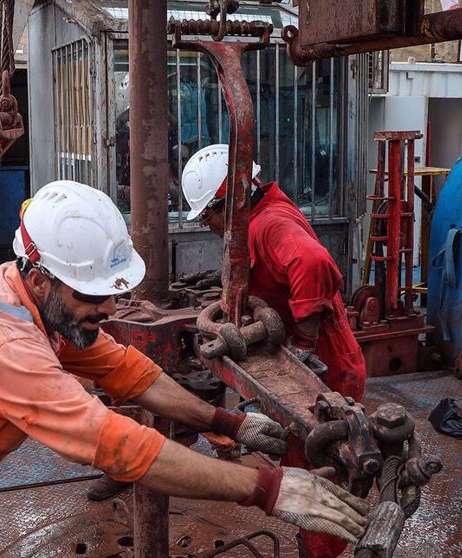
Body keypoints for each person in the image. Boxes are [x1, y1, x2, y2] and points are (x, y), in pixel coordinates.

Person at [0, 180, 369, 557]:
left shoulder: (34, 302)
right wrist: (268, 488)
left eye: (111, 295)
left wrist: (228, 421)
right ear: (40, 276)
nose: (108, 310)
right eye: (93, 296)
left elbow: (128, 371)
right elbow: (117, 444)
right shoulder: (3, 344)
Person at [181, 144, 368, 558]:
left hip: (328, 369)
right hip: (322, 365)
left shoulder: (269, 224)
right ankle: (313, 546)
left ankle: (321, 551)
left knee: (318, 481)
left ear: (227, 203)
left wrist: (302, 344)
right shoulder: (260, 219)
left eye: (207, 216)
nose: (209, 227)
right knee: (307, 473)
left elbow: (313, 262)